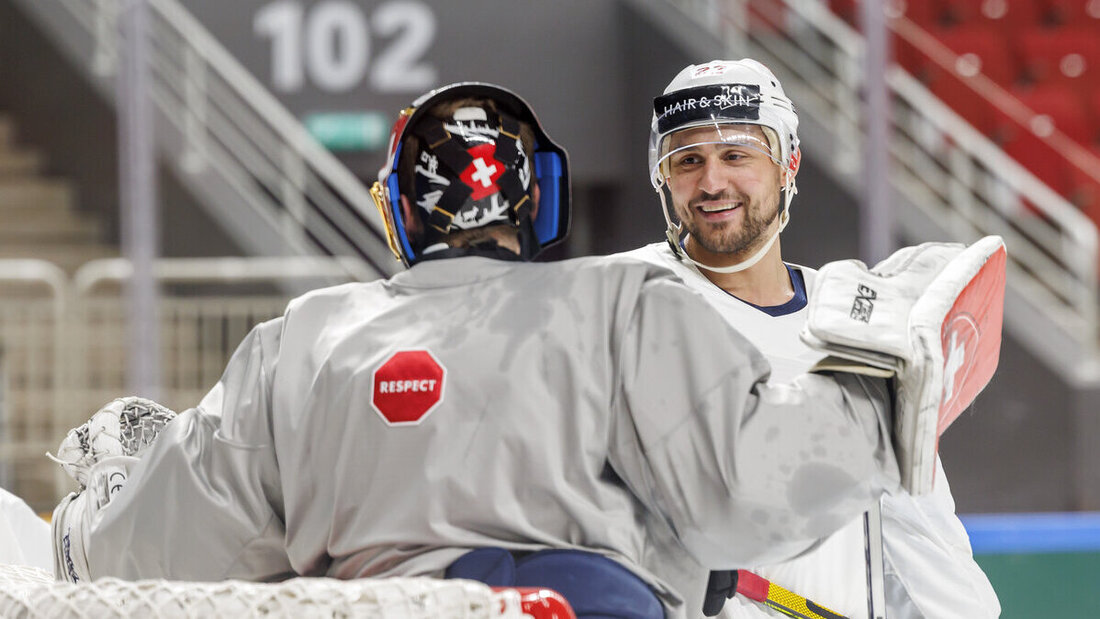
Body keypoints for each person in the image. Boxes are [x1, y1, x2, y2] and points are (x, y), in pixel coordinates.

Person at [49, 82, 992, 619]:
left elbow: (158, 551)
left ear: (397, 212)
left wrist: (93, 516)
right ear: (540, 200)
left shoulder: (304, 337)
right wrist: (879, 388)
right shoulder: (624, 301)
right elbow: (757, 492)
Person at [621, 59, 1001, 618]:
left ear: (787, 164)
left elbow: (915, 525)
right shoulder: (622, 300)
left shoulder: (858, 321)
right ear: (663, 176)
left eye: (736, 155)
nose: (711, 182)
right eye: (687, 160)